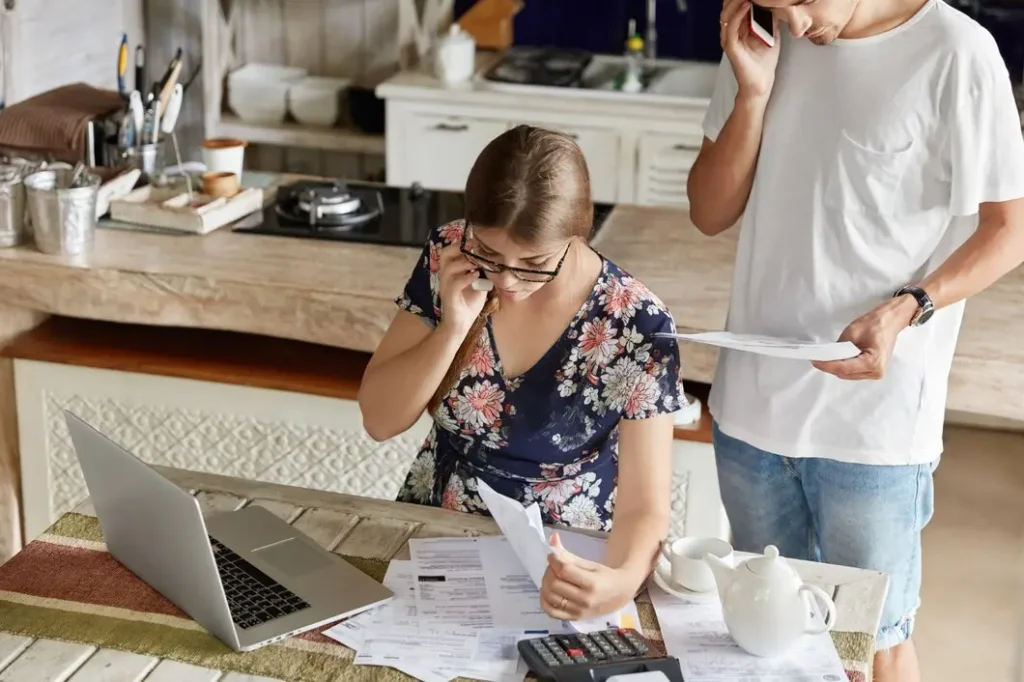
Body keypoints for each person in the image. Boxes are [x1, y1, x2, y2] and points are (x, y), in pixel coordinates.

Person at [688, 0, 1024, 679]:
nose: (797, 22)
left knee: (868, 646)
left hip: (873, 430)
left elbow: (1009, 228)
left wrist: (909, 307)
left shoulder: (956, 52)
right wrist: (752, 93)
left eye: (804, 3)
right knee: (771, 635)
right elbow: (709, 210)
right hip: (752, 412)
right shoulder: (767, 40)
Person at [358, 125, 686, 622]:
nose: (507, 282)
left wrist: (620, 582)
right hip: (436, 535)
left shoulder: (637, 323)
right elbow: (380, 420)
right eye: (489, 255)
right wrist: (453, 329)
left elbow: (646, 505)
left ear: (576, 236)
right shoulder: (450, 253)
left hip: (560, 561)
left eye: (533, 264)